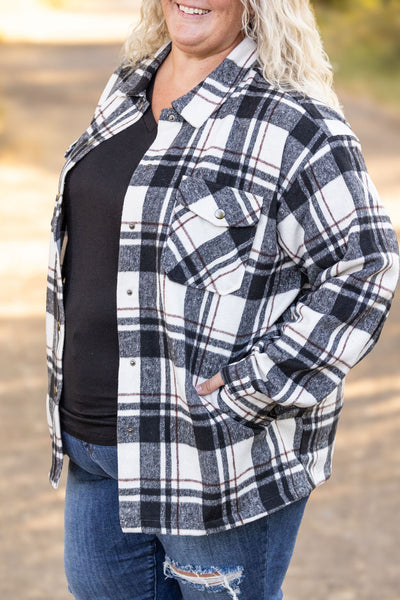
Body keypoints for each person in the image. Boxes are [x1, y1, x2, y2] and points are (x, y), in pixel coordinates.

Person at [45, 1, 399, 599]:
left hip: (214, 458)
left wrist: (253, 388)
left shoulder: (296, 124)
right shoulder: (126, 90)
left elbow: (366, 268)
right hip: (95, 448)